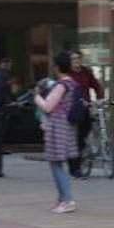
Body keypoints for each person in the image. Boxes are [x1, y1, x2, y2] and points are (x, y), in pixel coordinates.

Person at [34, 51, 78, 213]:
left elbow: (47, 106)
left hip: (57, 126)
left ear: (57, 67)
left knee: (56, 164)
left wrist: (36, 97)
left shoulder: (61, 85)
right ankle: (62, 199)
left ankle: (67, 199)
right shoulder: (72, 83)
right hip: (67, 125)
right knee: (57, 163)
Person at [66, 49, 104, 177]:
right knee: (74, 139)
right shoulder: (67, 74)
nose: (77, 61)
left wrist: (100, 97)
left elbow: (96, 85)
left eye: (78, 58)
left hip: (85, 108)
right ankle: (74, 168)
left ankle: (80, 159)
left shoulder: (86, 72)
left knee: (82, 137)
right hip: (71, 110)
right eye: (73, 58)